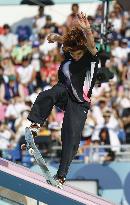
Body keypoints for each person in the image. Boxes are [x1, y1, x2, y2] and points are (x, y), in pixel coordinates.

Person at [26, 12, 99, 188]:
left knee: (71, 137)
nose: (75, 56)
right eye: (73, 53)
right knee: (47, 94)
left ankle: (61, 176)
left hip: (79, 102)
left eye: (78, 53)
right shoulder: (70, 52)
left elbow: (90, 45)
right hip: (64, 91)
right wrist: (55, 37)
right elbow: (66, 42)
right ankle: (36, 124)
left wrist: (88, 31)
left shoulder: (91, 57)